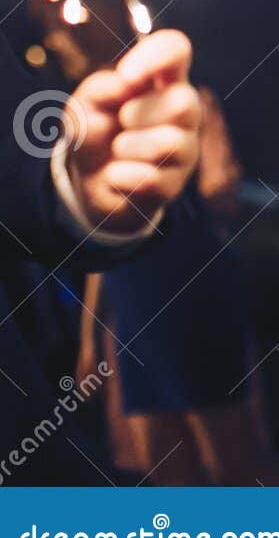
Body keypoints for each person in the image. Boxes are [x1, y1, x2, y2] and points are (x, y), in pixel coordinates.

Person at [41, 0, 279, 485]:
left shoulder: (180, 101)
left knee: (231, 459)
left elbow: (222, 195)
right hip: (132, 308)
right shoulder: (87, 118)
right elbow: (100, 249)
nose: (54, 39)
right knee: (163, 470)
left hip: (189, 291)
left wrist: (192, 164)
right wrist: (92, 337)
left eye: (66, 26)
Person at [0, 26, 201, 485]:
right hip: (130, 304)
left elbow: (12, 164)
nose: (54, 43)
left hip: (170, 290)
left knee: (210, 454)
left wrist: (82, 192)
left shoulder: (140, 107)